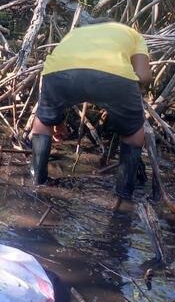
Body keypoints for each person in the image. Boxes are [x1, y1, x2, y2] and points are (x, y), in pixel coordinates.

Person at [30, 19, 152, 201]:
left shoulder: (74, 33)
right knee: (134, 132)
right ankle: (124, 193)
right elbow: (143, 76)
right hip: (114, 78)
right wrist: (132, 95)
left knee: (44, 120)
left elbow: (72, 76)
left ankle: (37, 181)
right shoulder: (132, 34)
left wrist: (57, 122)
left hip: (57, 73)